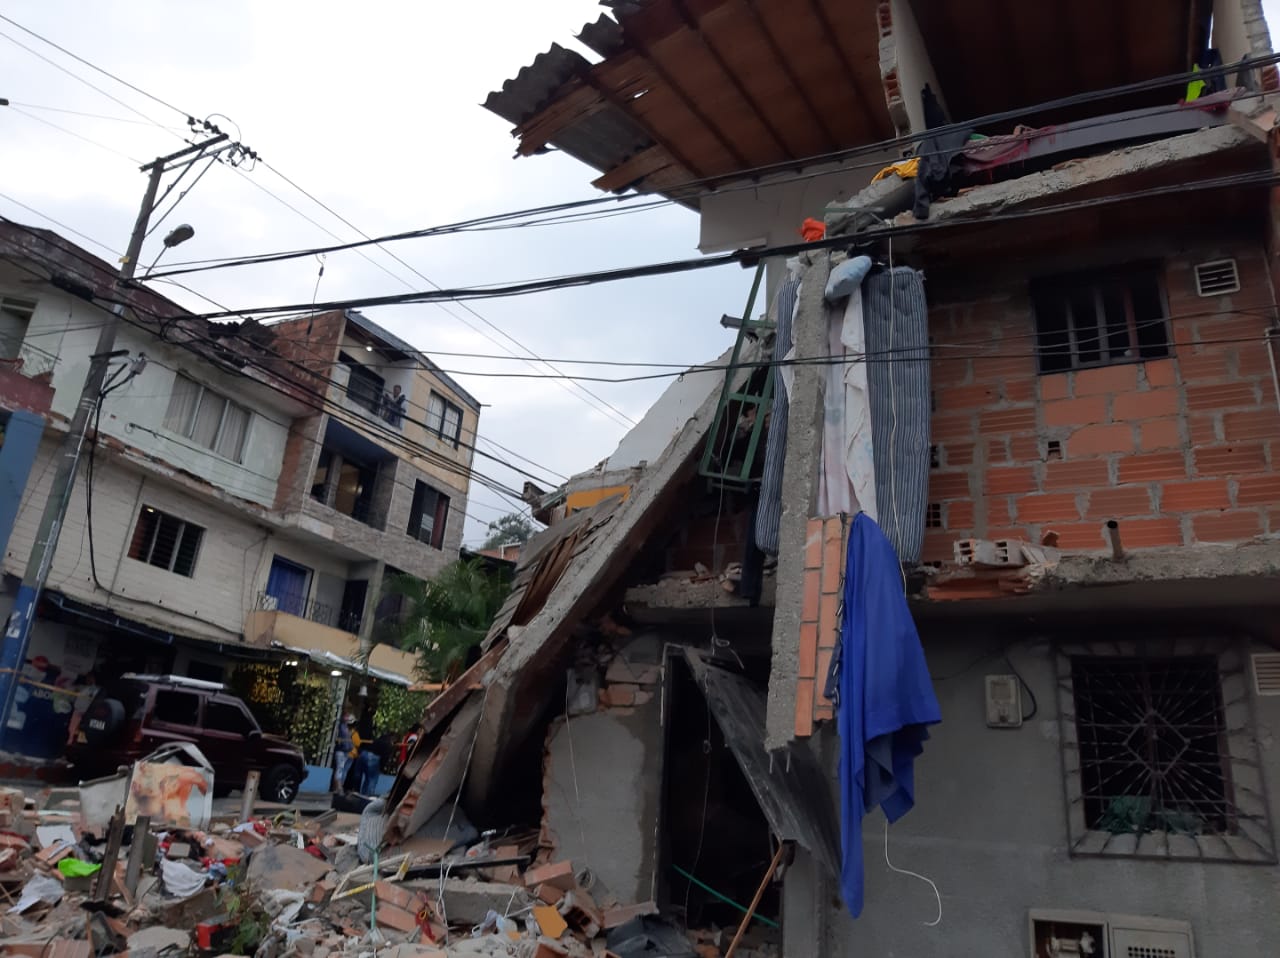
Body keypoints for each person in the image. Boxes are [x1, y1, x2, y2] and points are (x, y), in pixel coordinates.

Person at [66, 672, 99, 746]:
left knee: (82, 733)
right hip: (77, 712)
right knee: (71, 730)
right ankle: (69, 745)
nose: (89, 679)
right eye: (88, 678)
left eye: (90, 678)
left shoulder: (96, 689)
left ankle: (77, 747)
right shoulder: (82, 687)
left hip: (86, 714)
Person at [357, 730, 393, 795]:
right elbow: (385, 757)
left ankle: (362, 793)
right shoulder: (388, 744)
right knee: (372, 779)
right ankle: (368, 795)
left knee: (367, 778)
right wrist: (381, 768)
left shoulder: (378, 740)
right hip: (374, 758)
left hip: (364, 754)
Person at [334, 713, 355, 793]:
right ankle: (339, 788)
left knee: (342, 770)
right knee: (341, 769)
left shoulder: (347, 729)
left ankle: (339, 788)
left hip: (346, 752)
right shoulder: (343, 728)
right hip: (343, 751)